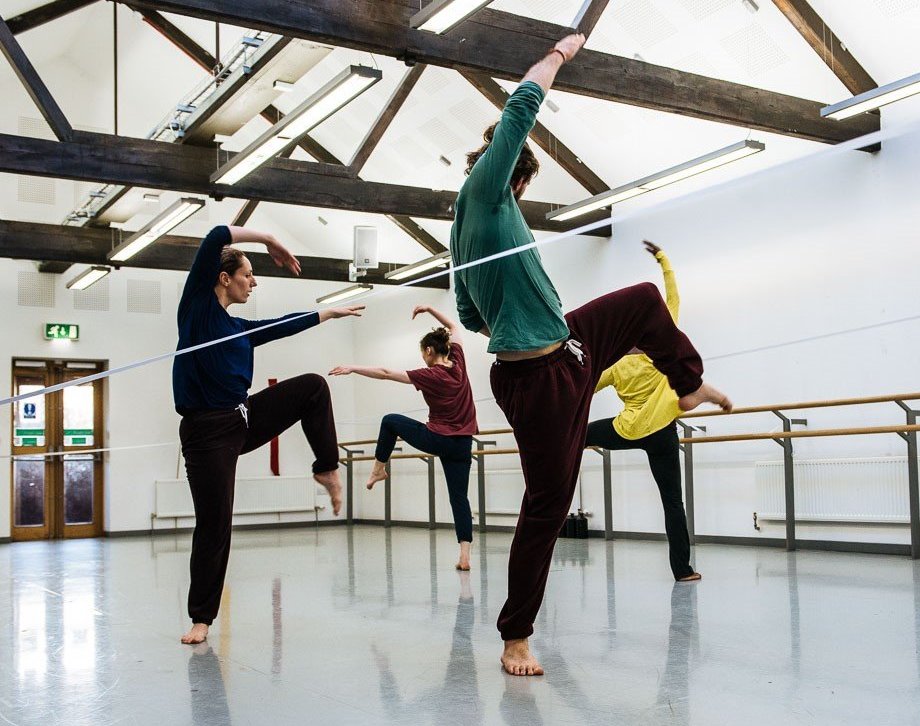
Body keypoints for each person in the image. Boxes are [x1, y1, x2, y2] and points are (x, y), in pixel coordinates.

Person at [450, 33, 732, 676]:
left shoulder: (464, 229)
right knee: (547, 503)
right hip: (536, 377)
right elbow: (519, 111)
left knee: (639, 301)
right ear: (508, 173)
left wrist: (520, 302)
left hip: (566, 348)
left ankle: (686, 384)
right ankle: (515, 636)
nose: (519, 196)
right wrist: (558, 56)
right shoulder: (486, 190)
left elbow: (468, 314)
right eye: (520, 184)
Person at [173, 224, 362, 645]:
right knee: (215, 522)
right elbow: (213, 236)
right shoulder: (197, 311)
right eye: (248, 275)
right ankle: (201, 618)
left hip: (242, 417)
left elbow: (281, 326)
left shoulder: (239, 329)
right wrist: (271, 240)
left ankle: (326, 468)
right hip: (207, 434)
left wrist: (326, 313)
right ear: (225, 278)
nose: (253, 282)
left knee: (313, 386)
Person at [329, 305, 478, 571]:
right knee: (460, 498)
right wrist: (431, 309)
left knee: (390, 421)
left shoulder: (430, 374)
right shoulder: (459, 362)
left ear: (429, 351)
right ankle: (464, 555)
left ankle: (378, 469)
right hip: (463, 442)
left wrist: (353, 367)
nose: (422, 358)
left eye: (423, 354)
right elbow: (454, 328)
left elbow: (386, 373)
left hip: (438, 438)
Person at [586, 241, 701, 583]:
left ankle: (555, 454)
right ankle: (682, 571)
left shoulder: (616, 363)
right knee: (673, 502)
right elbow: (673, 299)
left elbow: (585, 385)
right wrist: (663, 259)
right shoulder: (661, 348)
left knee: (575, 436)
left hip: (626, 429)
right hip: (662, 431)